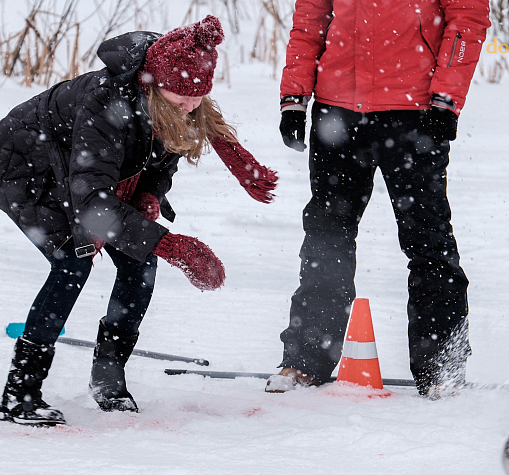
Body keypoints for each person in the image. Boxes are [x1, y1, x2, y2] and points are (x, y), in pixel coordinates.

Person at [0, 15, 277, 426]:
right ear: (151, 86)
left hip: (88, 178)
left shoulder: (176, 100)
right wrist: (169, 244)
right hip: (31, 172)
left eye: (197, 99)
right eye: (180, 99)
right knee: (73, 262)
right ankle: (20, 393)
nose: (190, 107)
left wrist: (149, 195)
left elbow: (161, 158)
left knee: (139, 263)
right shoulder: (104, 105)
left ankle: (108, 379)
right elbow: (90, 199)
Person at [265, 0, 490, 398]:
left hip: (415, 113)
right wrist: (294, 97)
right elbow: (309, 22)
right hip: (338, 112)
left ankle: (442, 367)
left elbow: (466, 20)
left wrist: (446, 97)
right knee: (326, 237)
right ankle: (304, 361)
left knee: (428, 240)